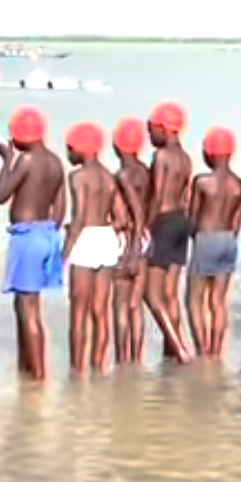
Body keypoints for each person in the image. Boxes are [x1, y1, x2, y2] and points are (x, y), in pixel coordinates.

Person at [0, 107, 65, 382]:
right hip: (47, 235)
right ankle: (27, 368)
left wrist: (6, 158)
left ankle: (37, 377)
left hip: (27, 237)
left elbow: (1, 195)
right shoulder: (56, 162)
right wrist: (50, 235)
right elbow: (60, 207)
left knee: (27, 309)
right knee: (30, 306)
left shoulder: (27, 161)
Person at [62, 123, 120, 375]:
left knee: (78, 311)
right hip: (106, 238)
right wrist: (105, 234)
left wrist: (63, 255)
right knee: (100, 310)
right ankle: (98, 367)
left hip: (85, 239)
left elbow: (81, 217)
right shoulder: (109, 176)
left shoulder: (77, 177)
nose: (68, 154)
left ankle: (77, 370)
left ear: (79, 149)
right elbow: (121, 218)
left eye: (69, 148)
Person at [142, 103, 196, 364]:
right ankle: (170, 352)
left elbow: (158, 196)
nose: (149, 136)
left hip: (163, 222)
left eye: (151, 130)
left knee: (150, 294)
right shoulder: (185, 158)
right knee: (170, 293)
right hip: (181, 222)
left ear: (164, 128)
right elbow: (185, 196)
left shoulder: (161, 156)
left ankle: (181, 351)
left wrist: (145, 229)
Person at [187, 128, 241, 359]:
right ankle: (216, 350)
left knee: (194, 299)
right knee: (218, 300)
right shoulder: (239, 185)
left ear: (209, 154)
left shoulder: (202, 182)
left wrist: (195, 238)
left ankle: (202, 350)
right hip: (228, 239)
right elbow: (237, 220)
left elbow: (193, 218)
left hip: (206, 238)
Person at [110, 118, 150, 364]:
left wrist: (131, 250)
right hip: (145, 237)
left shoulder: (121, 175)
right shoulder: (145, 171)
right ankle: (137, 358)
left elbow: (132, 214)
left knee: (121, 305)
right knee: (136, 305)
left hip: (129, 240)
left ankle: (123, 359)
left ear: (116, 146)